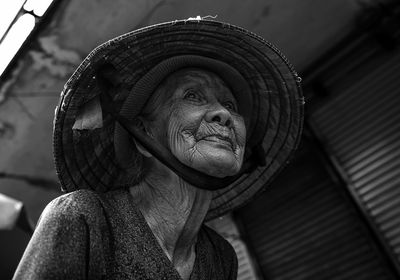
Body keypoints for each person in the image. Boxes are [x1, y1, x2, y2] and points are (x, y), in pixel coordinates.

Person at [13, 18, 304, 279]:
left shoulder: (219, 258)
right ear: (142, 136)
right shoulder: (82, 218)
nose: (224, 115)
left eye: (230, 105)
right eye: (193, 96)